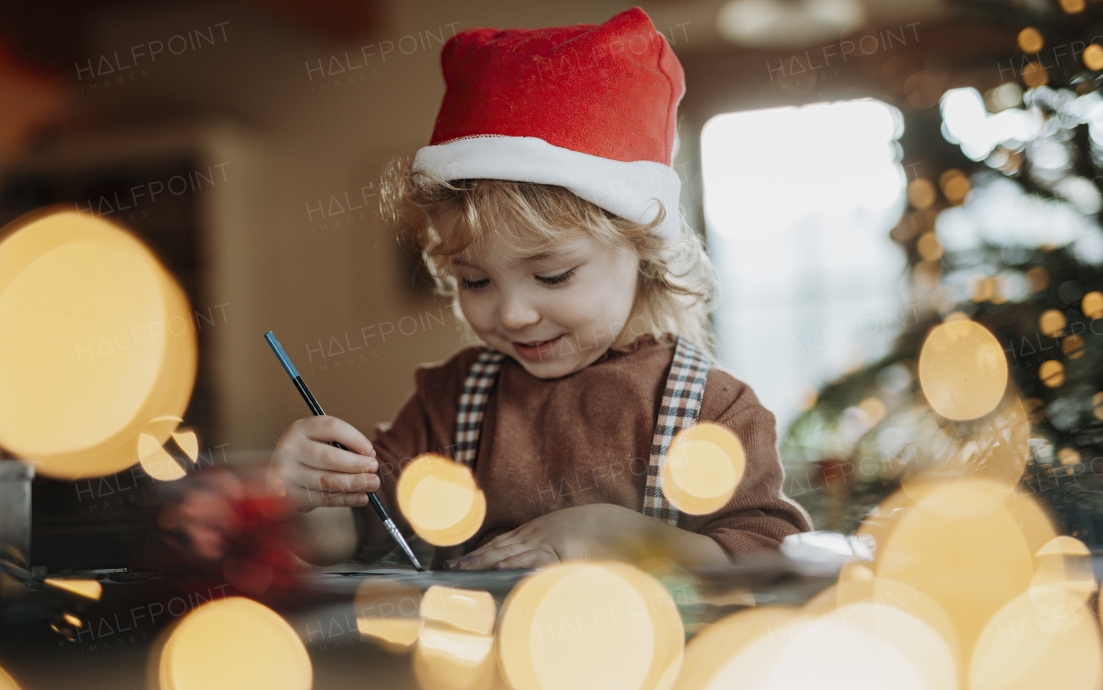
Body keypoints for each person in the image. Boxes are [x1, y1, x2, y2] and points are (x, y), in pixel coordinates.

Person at [268, 7, 810, 571]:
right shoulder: (449, 404)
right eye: (475, 281)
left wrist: (614, 536)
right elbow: (358, 536)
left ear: (644, 253)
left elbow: (767, 557)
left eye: (553, 275)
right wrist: (306, 501)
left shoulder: (713, 410)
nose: (515, 313)